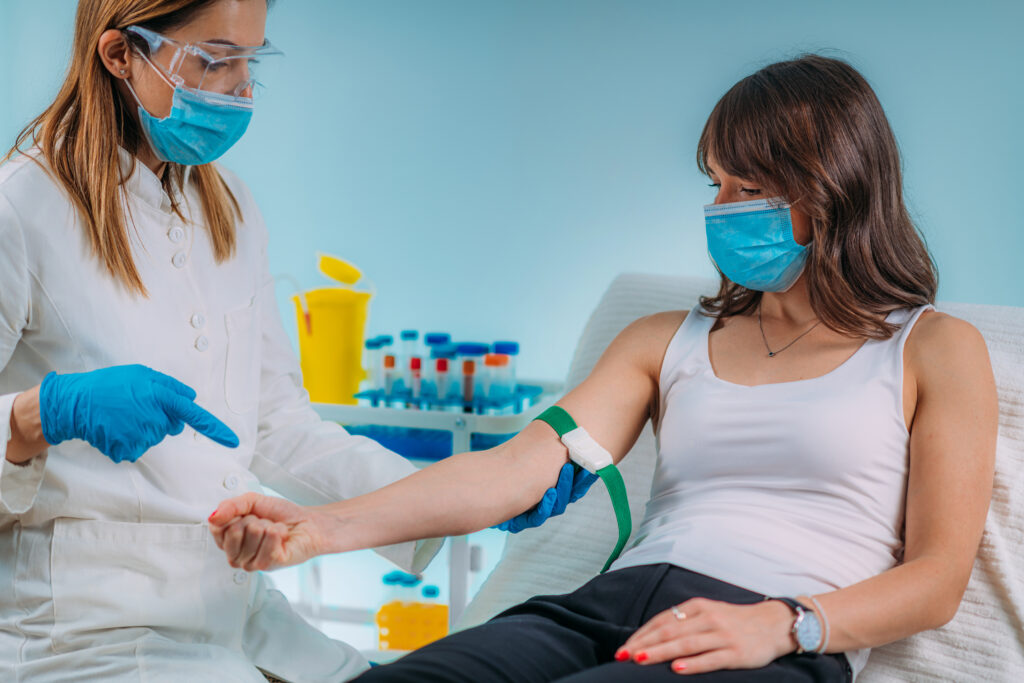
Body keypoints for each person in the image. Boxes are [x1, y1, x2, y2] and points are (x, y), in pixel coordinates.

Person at [209, 53, 999, 682]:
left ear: (837, 189)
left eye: (751, 187)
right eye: (716, 183)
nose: (722, 207)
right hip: (607, 603)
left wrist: (788, 622)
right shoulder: (664, 340)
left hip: (767, 634)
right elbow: (512, 469)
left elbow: (938, 578)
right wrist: (321, 529)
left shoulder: (934, 348)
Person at [0, 1, 589, 681]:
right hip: (80, 627)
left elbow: (278, 427)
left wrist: (464, 498)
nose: (240, 88)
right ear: (120, 54)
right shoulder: (22, 206)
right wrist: (39, 415)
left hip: (230, 604)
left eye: (251, 60)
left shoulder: (228, 207)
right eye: (214, 60)